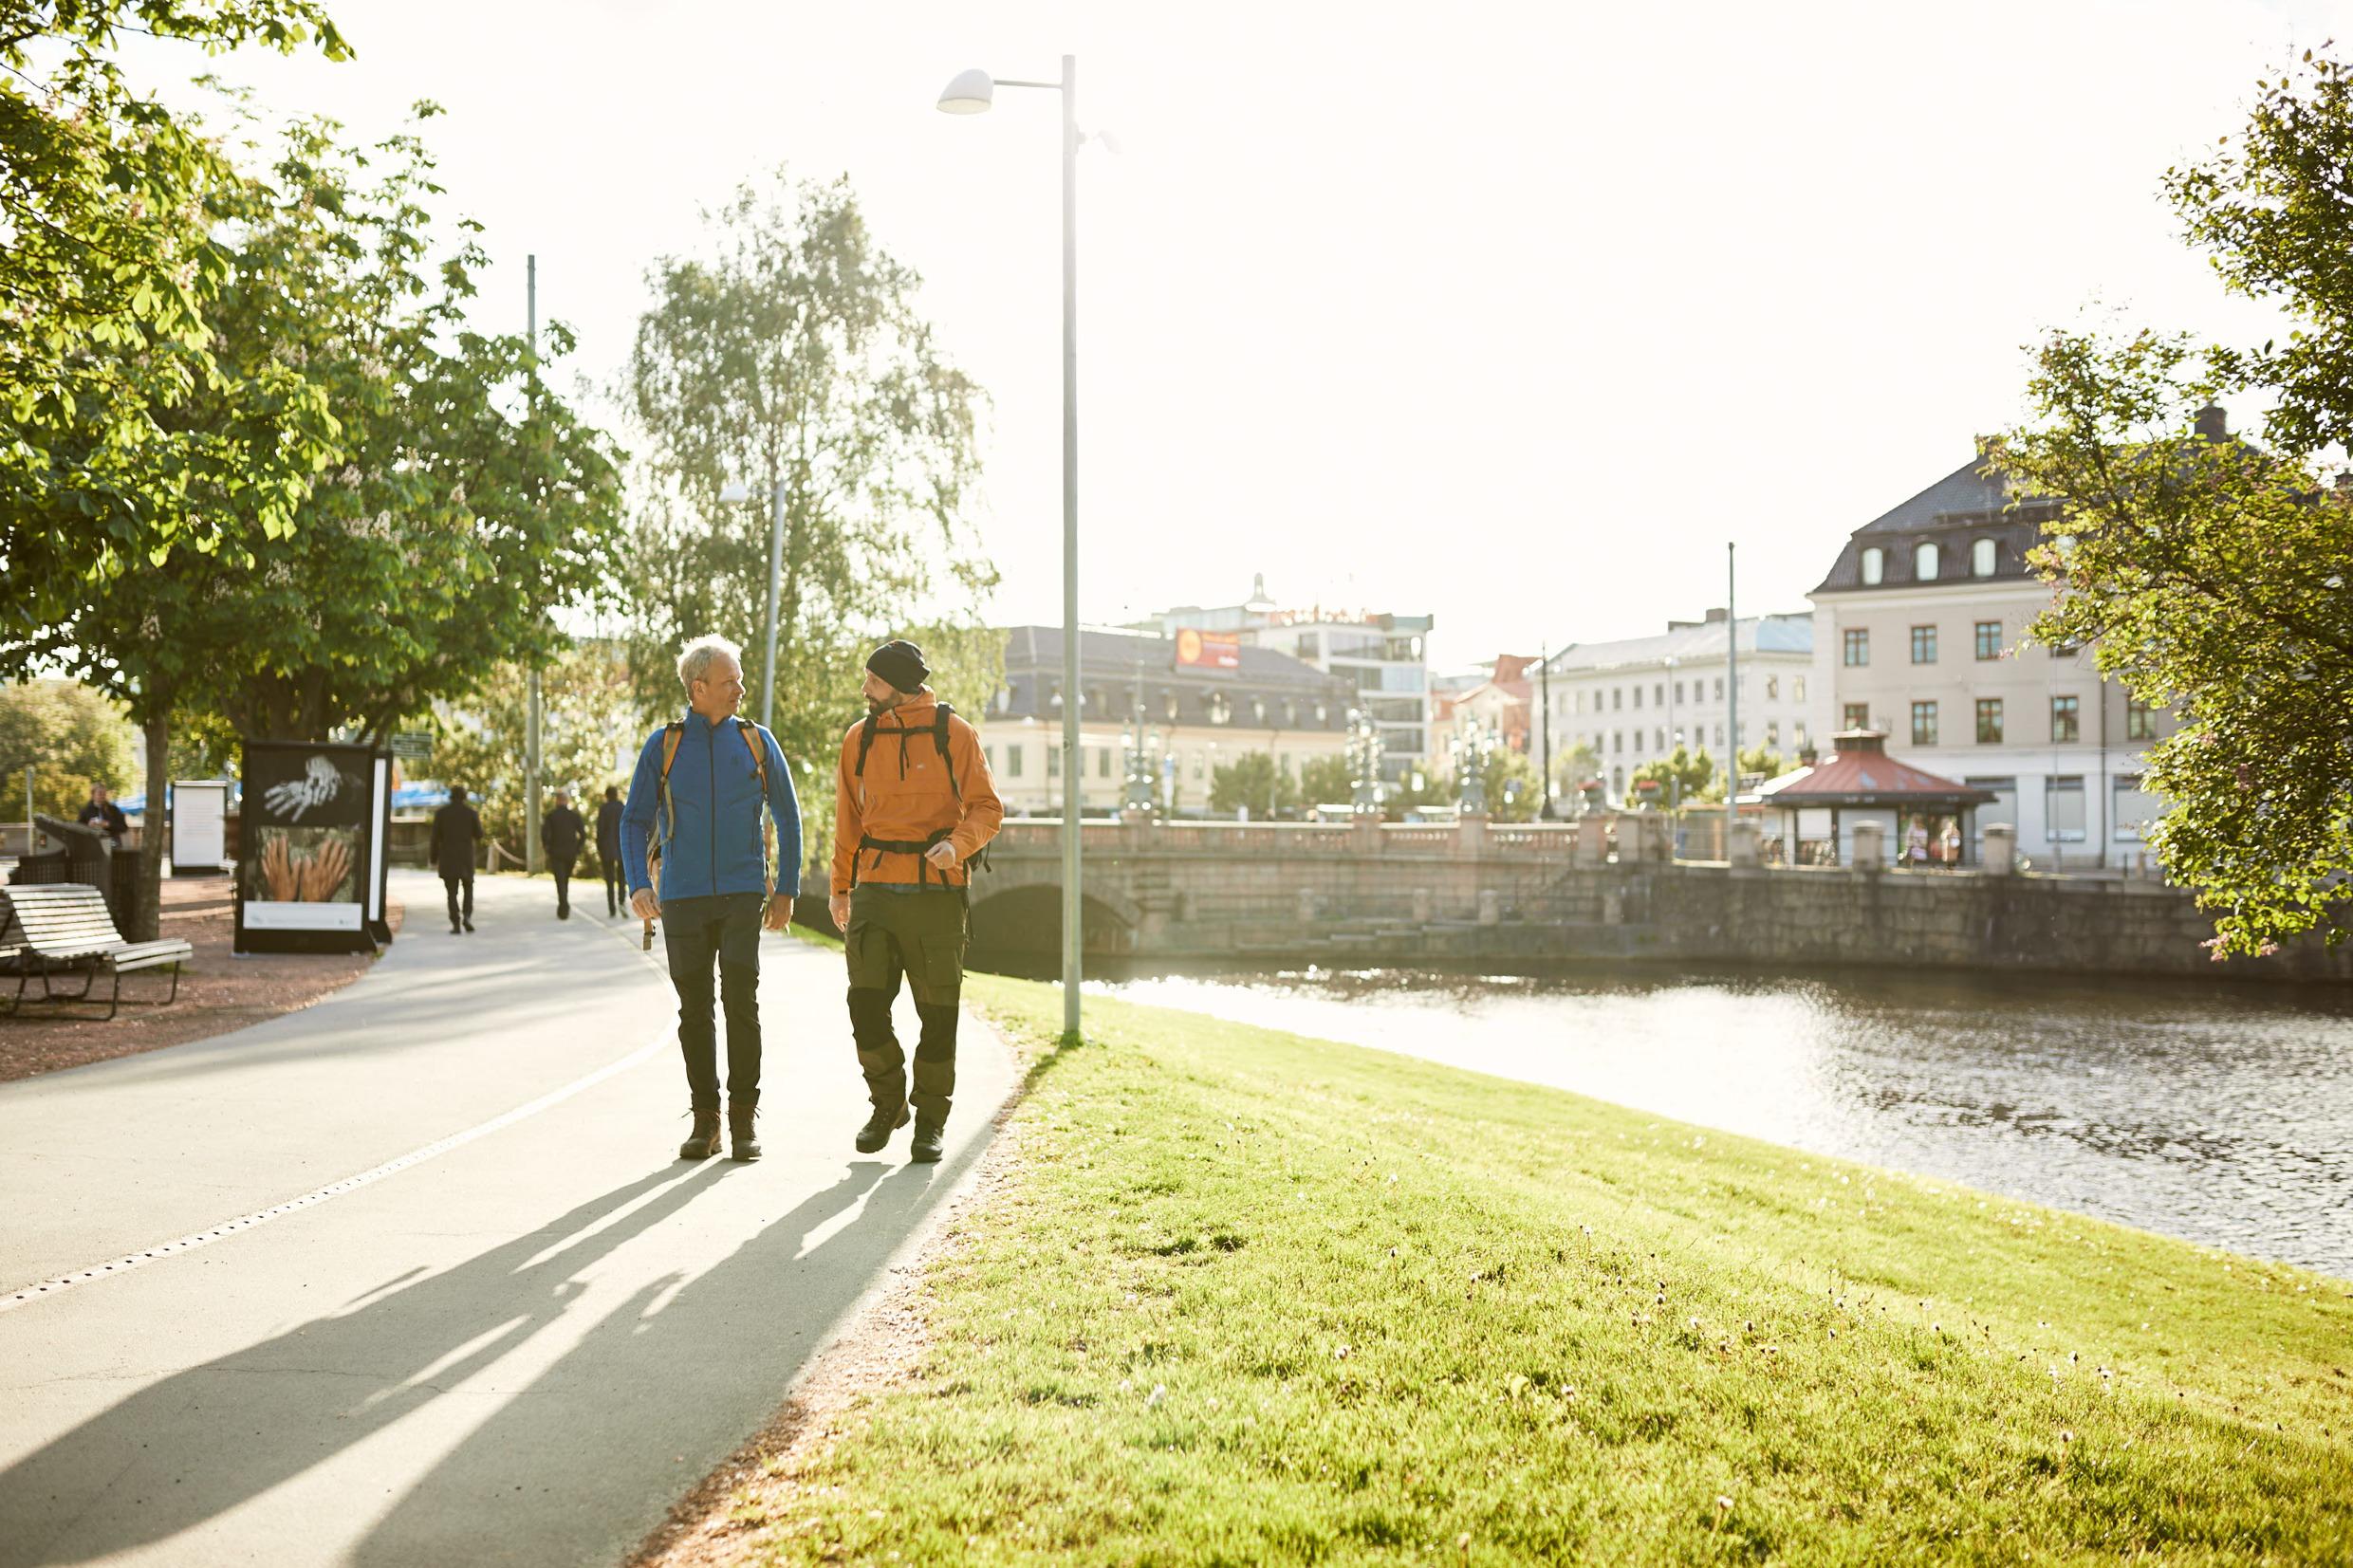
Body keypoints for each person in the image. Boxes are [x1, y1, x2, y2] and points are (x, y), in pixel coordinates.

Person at [621, 635, 800, 1163]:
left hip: (744, 892)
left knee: (741, 1005)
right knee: (694, 1012)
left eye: (740, 679)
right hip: (683, 897)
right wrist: (639, 883)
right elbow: (633, 821)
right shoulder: (666, 744)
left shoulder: (757, 741)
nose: (740, 689)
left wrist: (785, 887)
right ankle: (707, 1121)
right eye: (730, 681)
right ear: (698, 688)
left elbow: (787, 817)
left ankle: (744, 1121)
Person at [829, 638, 1003, 1164]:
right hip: (877, 889)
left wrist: (959, 845)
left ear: (902, 687)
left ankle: (929, 1121)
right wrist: (840, 888)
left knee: (938, 1015)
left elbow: (987, 807)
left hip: (937, 894)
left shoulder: (954, 733)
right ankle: (888, 1102)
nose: (865, 690)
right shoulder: (858, 740)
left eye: (874, 682)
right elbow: (847, 823)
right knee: (865, 1005)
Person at [430, 786, 483, 934]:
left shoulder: (441, 814)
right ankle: (467, 916)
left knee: (451, 893)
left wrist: (433, 858)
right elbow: (479, 834)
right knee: (468, 888)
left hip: (448, 857)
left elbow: (435, 839)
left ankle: (455, 923)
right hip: (466, 857)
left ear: (451, 797)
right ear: (465, 797)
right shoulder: (471, 813)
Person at [541, 789, 586, 919]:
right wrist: (578, 849)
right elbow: (583, 835)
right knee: (564, 879)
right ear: (567, 801)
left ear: (557, 801)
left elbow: (544, 835)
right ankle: (564, 905)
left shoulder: (551, 816)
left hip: (556, 853)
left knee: (560, 880)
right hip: (570, 853)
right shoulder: (574, 816)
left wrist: (547, 848)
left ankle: (563, 905)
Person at [596, 784, 626, 916]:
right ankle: (621, 901)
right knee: (621, 878)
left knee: (609, 879)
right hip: (621, 847)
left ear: (607, 796)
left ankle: (612, 908)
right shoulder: (623, 808)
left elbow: (600, 830)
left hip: (607, 849)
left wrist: (599, 847)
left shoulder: (604, 809)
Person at [78, 784, 128, 848]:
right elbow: (78, 829)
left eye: (104, 793)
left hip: (113, 845)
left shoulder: (113, 809)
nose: (103, 796)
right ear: (93, 795)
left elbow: (124, 828)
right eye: (100, 793)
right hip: (93, 846)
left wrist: (108, 824)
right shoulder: (85, 810)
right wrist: (88, 826)